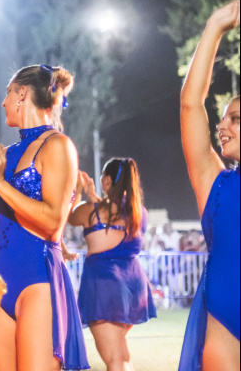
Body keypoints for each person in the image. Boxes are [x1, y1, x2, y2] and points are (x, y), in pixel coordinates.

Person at [0, 64, 89, 370]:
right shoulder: (6, 154)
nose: (3, 101)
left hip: (38, 276)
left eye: (9, 93)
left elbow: (52, 222)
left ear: (22, 93)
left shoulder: (58, 146)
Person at [178, 0, 240, 371]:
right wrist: (216, 24)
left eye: (235, 118)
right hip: (222, 325)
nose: (223, 126)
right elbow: (190, 104)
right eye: (222, 118)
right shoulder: (215, 186)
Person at [69, 158, 156, 370]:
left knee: (116, 359)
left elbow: (70, 217)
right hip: (133, 287)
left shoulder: (91, 211)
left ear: (107, 180)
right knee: (120, 354)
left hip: (104, 285)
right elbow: (112, 214)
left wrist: (79, 192)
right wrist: (94, 198)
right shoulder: (138, 213)